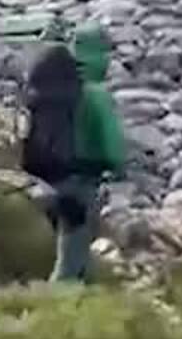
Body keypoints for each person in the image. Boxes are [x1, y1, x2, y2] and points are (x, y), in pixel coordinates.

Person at [42, 23, 129, 282]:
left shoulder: (57, 87)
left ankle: (79, 294)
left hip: (51, 179)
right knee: (72, 254)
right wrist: (119, 167)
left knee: (72, 247)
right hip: (81, 182)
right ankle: (55, 300)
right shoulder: (96, 94)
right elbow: (111, 140)